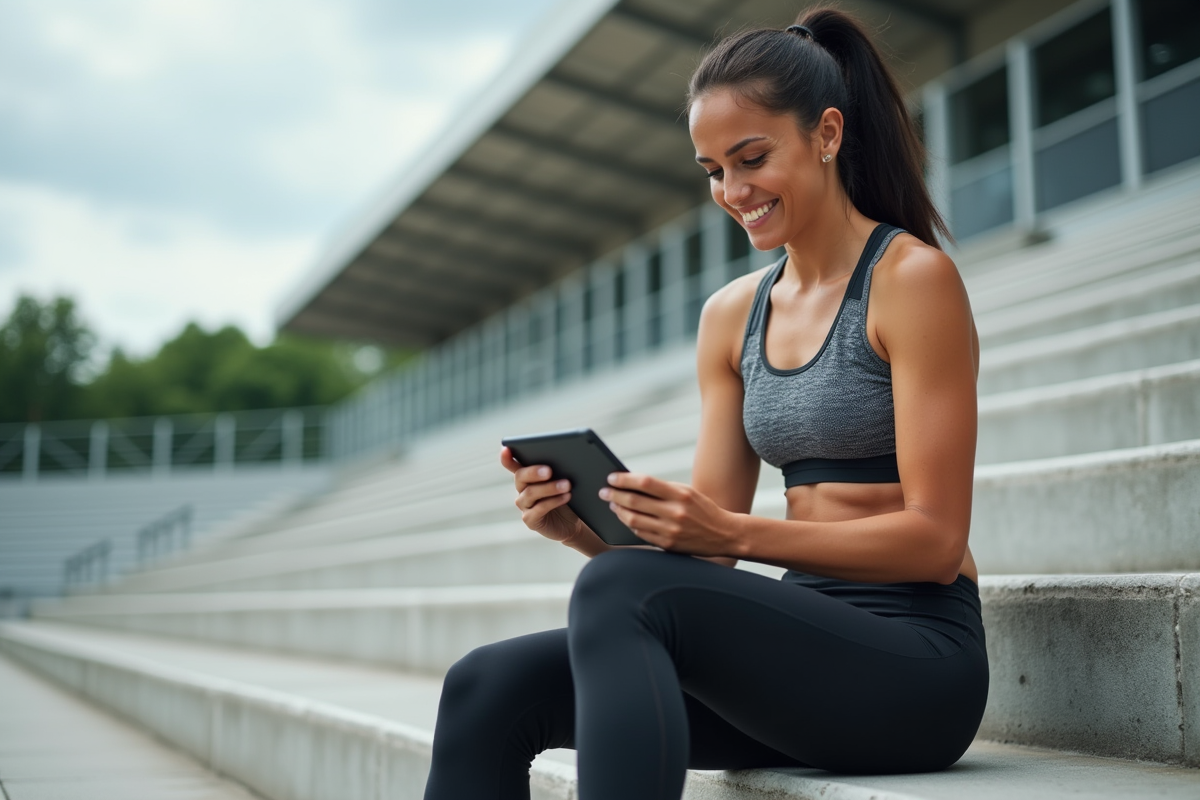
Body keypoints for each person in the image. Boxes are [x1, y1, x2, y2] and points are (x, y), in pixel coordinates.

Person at [423, 8, 987, 800]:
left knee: (615, 596)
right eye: (713, 170)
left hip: (913, 666)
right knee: (487, 683)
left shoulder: (910, 280)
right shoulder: (732, 316)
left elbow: (934, 541)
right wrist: (584, 533)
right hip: (794, 654)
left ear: (826, 134)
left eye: (752, 158)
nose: (733, 190)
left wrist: (733, 533)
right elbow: (704, 561)